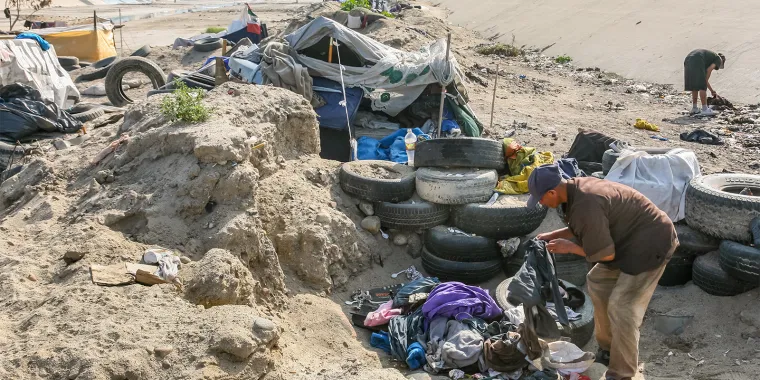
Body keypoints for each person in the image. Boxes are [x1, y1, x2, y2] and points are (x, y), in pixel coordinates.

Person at [526, 163, 678, 380]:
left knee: (623, 307)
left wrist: (569, 247)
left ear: (552, 192)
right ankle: (608, 349)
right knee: (597, 280)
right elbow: (584, 226)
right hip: (625, 240)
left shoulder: (586, 202)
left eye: (541, 199)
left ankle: (622, 373)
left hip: (650, 244)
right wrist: (551, 235)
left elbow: (605, 255)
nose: (541, 203)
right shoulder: (574, 190)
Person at [684, 49, 725, 116]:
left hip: (688, 59)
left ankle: (694, 108)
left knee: (695, 84)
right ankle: (705, 109)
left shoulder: (708, 59)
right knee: (702, 86)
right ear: (722, 61)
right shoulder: (718, 59)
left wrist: (711, 90)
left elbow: (703, 79)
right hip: (697, 59)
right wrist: (704, 82)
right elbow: (709, 70)